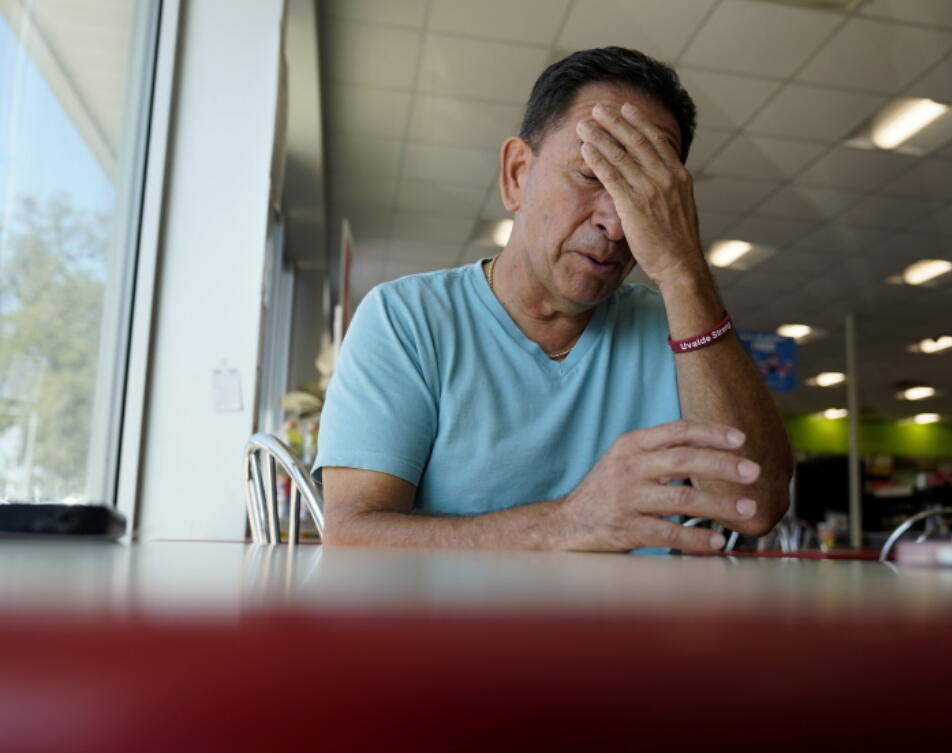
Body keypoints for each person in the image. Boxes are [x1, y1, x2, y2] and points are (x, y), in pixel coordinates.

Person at [315, 46, 792, 552]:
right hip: (457, 631)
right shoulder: (408, 318)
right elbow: (352, 538)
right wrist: (564, 524)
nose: (615, 222)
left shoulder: (677, 325)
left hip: (631, 631)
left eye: (642, 194)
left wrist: (683, 269)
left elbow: (755, 506)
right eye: (591, 175)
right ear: (517, 173)